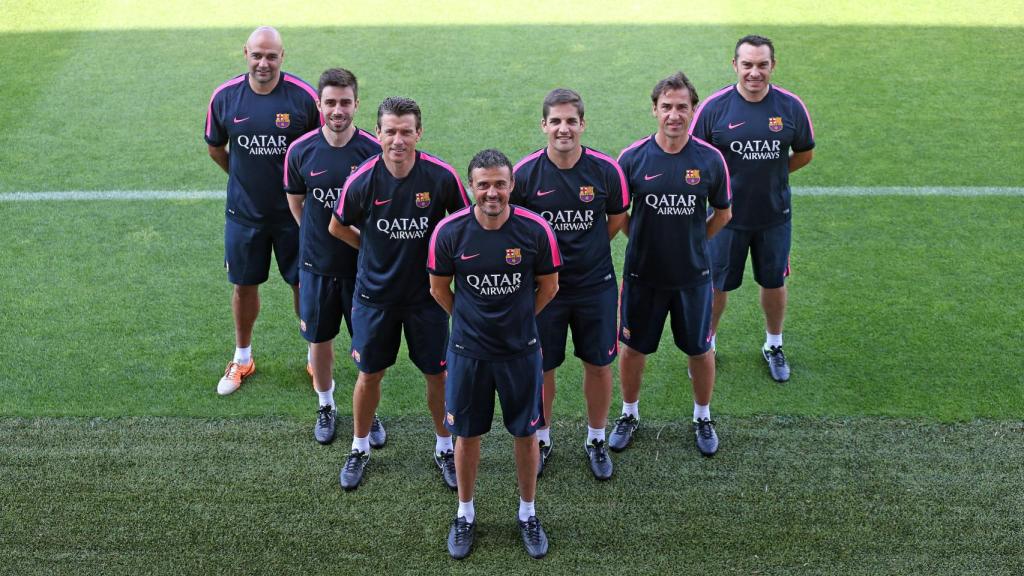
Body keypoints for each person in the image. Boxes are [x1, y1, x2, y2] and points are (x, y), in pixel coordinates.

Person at [330, 96, 470, 491]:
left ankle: (444, 445)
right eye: (390, 131)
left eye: (406, 131)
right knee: (369, 374)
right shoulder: (362, 180)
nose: (398, 140)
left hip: (426, 298)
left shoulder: (441, 176)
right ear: (377, 134)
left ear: (418, 133)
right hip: (375, 298)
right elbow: (337, 227)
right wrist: (372, 248)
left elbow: (463, 225)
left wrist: (442, 264)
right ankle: (359, 447)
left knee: (437, 374)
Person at [428, 149, 561, 560]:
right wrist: (470, 321)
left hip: (520, 352)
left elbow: (549, 286)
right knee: (466, 436)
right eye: (483, 184)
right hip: (469, 353)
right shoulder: (449, 232)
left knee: (525, 434)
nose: (492, 193)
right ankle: (465, 513)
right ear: (471, 187)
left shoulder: (535, 231)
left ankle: (528, 513)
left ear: (511, 186)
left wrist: (517, 320)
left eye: (500, 184)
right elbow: (439, 289)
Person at [610, 72, 732, 457]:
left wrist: (693, 242)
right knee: (631, 347)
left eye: (682, 107)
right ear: (654, 110)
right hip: (642, 275)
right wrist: (645, 239)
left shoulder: (711, 160)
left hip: (693, 277)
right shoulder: (632, 159)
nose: (674, 115)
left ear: (694, 111)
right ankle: (629, 413)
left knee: (700, 349)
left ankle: (702, 416)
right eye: (667, 107)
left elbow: (723, 214)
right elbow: (618, 214)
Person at [511, 88, 628, 480]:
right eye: (556, 121)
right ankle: (542, 437)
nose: (564, 129)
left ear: (583, 124)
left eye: (571, 121)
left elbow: (615, 219)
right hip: (545, 290)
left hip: (595, 287)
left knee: (598, 363)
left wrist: (588, 250)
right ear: (544, 125)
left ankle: (595, 437)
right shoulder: (525, 174)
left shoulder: (606, 171)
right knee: (543, 366)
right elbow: (517, 228)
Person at [689, 34, 815, 382]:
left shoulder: (790, 107)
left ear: (772, 65)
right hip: (724, 220)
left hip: (773, 217)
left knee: (774, 282)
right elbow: (696, 158)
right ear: (735, 66)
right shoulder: (714, 108)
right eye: (747, 65)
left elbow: (804, 153)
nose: (754, 72)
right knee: (716, 284)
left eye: (762, 65)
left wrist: (774, 173)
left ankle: (773, 344)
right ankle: (706, 345)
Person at [205, 26, 321, 396]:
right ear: (245, 54)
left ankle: (313, 355)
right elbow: (216, 148)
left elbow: (320, 148)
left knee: (302, 283)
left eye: (271, 56)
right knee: (243, 285)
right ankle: (243, 357)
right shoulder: (225, 97)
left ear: (282, 56)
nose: (264, 63)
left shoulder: (303, 98)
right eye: (257, 55)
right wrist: (241, 177)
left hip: (295, 216)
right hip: (245, 215)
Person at [284, 68, 381, 445]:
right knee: (319, 342)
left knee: (367, 346)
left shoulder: (374, 151)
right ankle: (326, 404)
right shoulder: (301, 151)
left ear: (356, 104)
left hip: (363, 270)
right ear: (320, 105)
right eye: (330, 102)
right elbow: (298, 206)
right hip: (317, 268)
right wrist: (317, 240)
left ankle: (366, 411)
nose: (337, 110)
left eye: (345, 102)